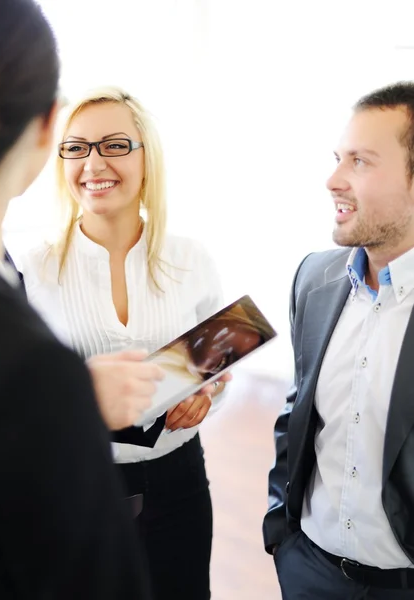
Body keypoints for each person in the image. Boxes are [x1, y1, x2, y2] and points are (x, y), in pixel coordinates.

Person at [0, 2, 155, 598]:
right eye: (80, 145)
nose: (96, 163)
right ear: (50, 131)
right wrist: (69, 406)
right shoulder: (33, 371)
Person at [20, 85, 230, 600]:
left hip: (178, 482)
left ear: (145, 158)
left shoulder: (191, 259)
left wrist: (207, 393)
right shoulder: (33, 269)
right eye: (76, 147)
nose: (94, 162)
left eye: (114, 145)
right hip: (74, 487)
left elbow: (219, 365)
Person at [263, 81, 414, 600]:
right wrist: (281, 532)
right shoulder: (314, 278)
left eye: (361, 162)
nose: (333, 179)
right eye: (337, 158)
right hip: (309, 569)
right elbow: (297, 413)